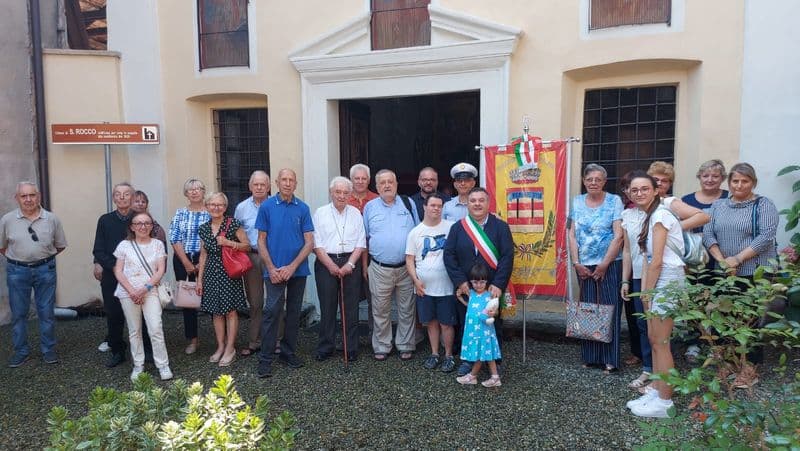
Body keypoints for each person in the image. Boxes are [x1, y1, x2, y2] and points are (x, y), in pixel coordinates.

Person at [703, 163, 779, 376]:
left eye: (744, 181)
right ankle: (727, 363)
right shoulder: (718, 205)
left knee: (750, 320)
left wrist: (736, 259)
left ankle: (749, 367)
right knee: (721, 317)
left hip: (754, 271)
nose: (739, 185)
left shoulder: (763, 205)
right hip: (724, 271)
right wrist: (722, 261)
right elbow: (708, 234)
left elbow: (765, 236)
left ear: (753, 182)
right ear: (729, 183)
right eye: (735, 181)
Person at [625, 172, 685, 418]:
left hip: (666, 280)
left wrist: (647, 292)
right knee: (654, 339)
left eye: (644, 189)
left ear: (655, 190)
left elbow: (658, 260)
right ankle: (659, 389)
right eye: (634, 189)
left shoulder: (660, 215)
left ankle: (665, 401)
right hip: (658, 281)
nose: (639, 193)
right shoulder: (650, 216)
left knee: (661, 343)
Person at [444, 187, 514, 377]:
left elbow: (507, 257)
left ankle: (495, 361)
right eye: (473, 200)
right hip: (467, 289)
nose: (477, 204)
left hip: (491, 288)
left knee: (493, 323)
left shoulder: (501, 227)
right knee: (467, 323)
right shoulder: (458, 227)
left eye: (481, 200)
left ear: (488, 203)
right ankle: (468, 360)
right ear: (468, 204)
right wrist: (460, 282)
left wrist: (499, 284)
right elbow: (449, 256)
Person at [1, 181, 67, 367]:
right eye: (24, 196)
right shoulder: (7, 220)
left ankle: (48, 350)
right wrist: (20, 259)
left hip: (45, 270)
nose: (28, 199)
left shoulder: (52, 219)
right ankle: (21, 351)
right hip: (17, 271)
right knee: (19, 314)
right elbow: (2, 246)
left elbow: (60, 245)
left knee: (46, 313)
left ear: (38, 196)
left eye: (32, 195)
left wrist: (41, 257)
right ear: (17, 198)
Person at [256, 169, 314, 378]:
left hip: (297, 271)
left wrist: (292, 267)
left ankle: (288, 353)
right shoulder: (267, 207)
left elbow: (309, 242)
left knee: (293, 313)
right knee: (271, 312)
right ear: (277, 183)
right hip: (274, 272)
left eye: (291, 180)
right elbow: (261, 240)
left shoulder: (303, 208)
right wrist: (271, 268)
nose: (288, 183)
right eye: (284, 180)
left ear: (296, 184)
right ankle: (265, 359)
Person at [568, 164, 624, 374]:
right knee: (588, 310)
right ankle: (591, 356)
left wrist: (605, 263)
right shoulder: (577, 201)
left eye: (598, 179)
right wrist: (576, 262)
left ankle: (610, 359)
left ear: (604, 181)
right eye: (590, 179)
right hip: (583, 265)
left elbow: (618, 235)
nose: (593, 183)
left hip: (609, 263)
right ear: (584, 181)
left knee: (609, 309)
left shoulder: (614, 201)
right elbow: (572, 234)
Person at [363, 169, 419, 362]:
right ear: (377, 187)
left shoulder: (408, 203)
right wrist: (365, 266)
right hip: (379, 267)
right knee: (380, 309)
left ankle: (405, 345)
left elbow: (417, 235)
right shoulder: (370, 207)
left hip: (406, 267)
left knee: (407, 308)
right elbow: (365, 238)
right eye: (382, 183)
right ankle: (382, 346)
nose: (387, 185)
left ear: (396, 184)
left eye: (390, 182)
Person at [111, 211, 173, 381]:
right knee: (134, 330)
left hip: (150, 290)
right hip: (127, 292)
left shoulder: (158, 244)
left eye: (147, 223)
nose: (143, 226)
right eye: (138, 223)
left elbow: (161, 270)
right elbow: (118, 270)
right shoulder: (124, 245)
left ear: (152, 226)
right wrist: (132, 291)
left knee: (155, 328)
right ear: (132, 226)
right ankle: (138, 365)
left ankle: (163, 364)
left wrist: (144, 289)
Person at [312, 176, 366, 361]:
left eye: (345, 192)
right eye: (338, 192)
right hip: (326, 262)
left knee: (350, 308)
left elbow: (361, 242)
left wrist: (350, 264)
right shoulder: (320, 213)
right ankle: (326, 347)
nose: (341, 196)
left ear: (350, 194)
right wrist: (331, 266)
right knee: (327, 307)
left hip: (350, 262)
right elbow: (316, 243)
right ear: (331, 192)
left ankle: (350, 348)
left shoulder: (356, 213)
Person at [405, 193, 457, 372]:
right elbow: (409, 259)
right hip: (424, 288)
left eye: (439, 206)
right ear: (424, 207)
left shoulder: (452, 228)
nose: (436, 208)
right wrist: (415, 281)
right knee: (431, 322)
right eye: (432, 205)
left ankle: (448, 355)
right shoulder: (415, 232)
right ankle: (435, 353)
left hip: (447, 287)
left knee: (446, 323)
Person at [197, 192, 250, 367]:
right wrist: (199, 279)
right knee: (216, 312)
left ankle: (230, 348)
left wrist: (228, 242)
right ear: (207, 206)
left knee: (230, 311)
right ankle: (220, 346)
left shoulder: (233, 224)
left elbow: (247, 246)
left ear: (225, 207)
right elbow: (203, 255)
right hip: (211, 273)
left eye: (219, 205)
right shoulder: (204, 228)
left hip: (229, 272)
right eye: (212, 204)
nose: (216, 207)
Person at [93, 182, 136, 368]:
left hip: (136, 275)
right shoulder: (105, 220)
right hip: (112, 275)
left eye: (126, 194)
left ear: (132, 197)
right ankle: (118, 350)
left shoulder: (140, 219)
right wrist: (115, 268)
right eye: (118, 194)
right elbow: (99, 250)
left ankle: (144, 351)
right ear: (113, 198)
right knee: (114, 313)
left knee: (139, 314)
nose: (122, 197)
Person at [168, 178, 210, 355]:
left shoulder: (211, 212)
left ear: (203, 192)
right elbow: (174, 237)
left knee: (212, 297)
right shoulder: (180, 213)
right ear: (186, 193)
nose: (194, 192)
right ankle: (192, 340)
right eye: (190, 189)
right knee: (188, 301)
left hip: (207, 259)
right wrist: (185, 262)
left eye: (198, 189)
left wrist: (202, 262)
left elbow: (213, 238)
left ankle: (220, 340)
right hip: (182, 259)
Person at [234, 170, 271, 357]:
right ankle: (254, 340)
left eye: (262, 184)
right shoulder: (241, 208)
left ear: (269, 186)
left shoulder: (275, 205)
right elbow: (237, 233)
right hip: (252, 256)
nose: (259, 187)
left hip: (273, 257)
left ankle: (276, 339)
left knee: (275, 300)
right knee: (255, 301)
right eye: (255, 184)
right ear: (250, 187)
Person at [455, 263, 502, 387]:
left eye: (482, 282)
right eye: (475, 282)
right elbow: (470, 307)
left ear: (486, 282)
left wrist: (493, 313)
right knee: (487, 354)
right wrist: (459, 297)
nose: (479, 285)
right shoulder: (471, 294)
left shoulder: (489, 295)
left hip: (484, 332)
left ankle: (473, 376)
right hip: (473, 331)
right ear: (471, 282)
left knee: (482, 354)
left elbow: (495, 311)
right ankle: (494, 377)